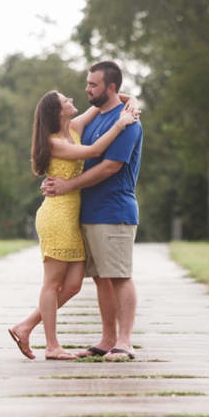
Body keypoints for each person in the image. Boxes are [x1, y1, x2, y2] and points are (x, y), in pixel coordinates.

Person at [8, 88, 138, 359]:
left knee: (74, 284)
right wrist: (120, 124)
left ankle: (25, 326)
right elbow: (95, 150)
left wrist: (132, 104)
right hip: (56, 216)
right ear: (57, 112)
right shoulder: (55, 141)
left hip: (73, 216)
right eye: (65, 100)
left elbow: (118, 97)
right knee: (53, 282)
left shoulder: (74, 127)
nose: (72, 100)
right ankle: (52, 346)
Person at [43, 61, 144, 361]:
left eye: (93, 85)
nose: (86, 89)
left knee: (120, 276)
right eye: (87, 83)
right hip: (89, 212)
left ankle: (125, 342)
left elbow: (109, 167)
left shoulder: (128, 122)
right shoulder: (97, 117)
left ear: (110, 88)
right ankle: (107, 338)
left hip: (114, 211)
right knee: (101, 278)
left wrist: (68, 185)